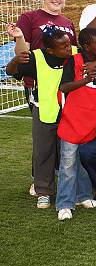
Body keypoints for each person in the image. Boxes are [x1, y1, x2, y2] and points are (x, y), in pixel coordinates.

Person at [6, 24, 77, 208]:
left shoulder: (76, 53)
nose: (69, 49)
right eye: (64, 47)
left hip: (71, 111)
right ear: (50, 49)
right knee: (43, 151)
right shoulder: (36, 57)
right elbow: (11, 71)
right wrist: (15, 59)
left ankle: (69, 189)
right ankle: (43, 191)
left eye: (69, 44)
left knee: (68, 152)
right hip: (44, 109)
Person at [55, 28, 96, 220]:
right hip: (72, 123)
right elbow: (64, 87)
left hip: (91, 124)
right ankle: (64, 204)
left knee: (83, 164)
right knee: (68, 166)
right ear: (86, 46)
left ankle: (83, 196)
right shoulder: (74, 61)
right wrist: (86, 79)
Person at [14, 0, 77, 118]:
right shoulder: (29, 18)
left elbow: (73, 53)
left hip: (64, 83)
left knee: (65, 130)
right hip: (39, 83)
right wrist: (19, 37)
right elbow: (22, 54)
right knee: (45, 129)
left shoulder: (68, 23)